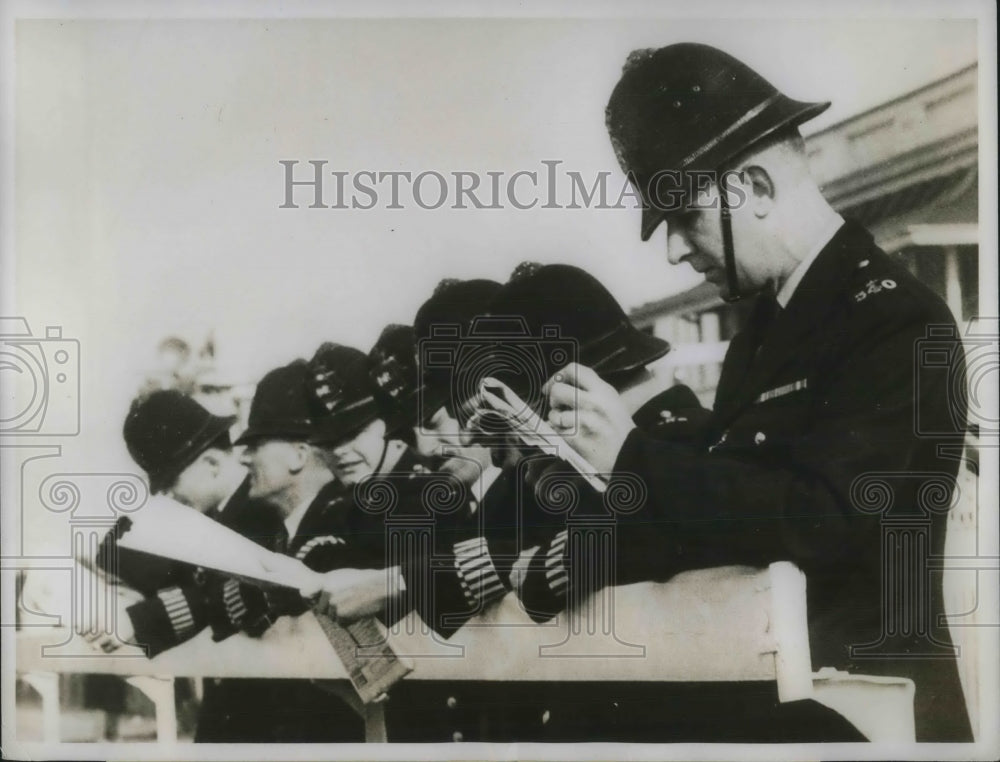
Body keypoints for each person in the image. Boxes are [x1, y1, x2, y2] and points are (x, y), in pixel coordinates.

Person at [530, 41, 970, 741]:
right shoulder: (767, 330)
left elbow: (826, 518)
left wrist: (632, 458)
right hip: (783, 704)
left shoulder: (895, 318)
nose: (673, 250)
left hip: (873, 717)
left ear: (756, 189)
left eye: (684, 219)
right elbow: (726, 510)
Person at [98, 389, 288, 742]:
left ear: (212, 464)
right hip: (236, 706)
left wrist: (135, 620)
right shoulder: (219, 517)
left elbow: (234, 595)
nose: (170, 498)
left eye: (171, 483)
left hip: (276, 712)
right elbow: (114, 555)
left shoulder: (260, 510)